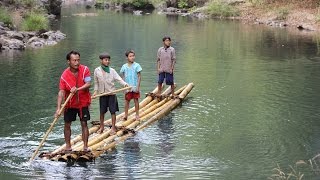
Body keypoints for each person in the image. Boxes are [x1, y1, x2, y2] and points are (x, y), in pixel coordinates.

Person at [55, 50, 91, 152]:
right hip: (70, 104)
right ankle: (68, 146)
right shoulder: (64, 76)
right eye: (74, 60)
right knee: (67, 124)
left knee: (84, 123)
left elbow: (88, 83)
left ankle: (85, 146)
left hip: (83, 102)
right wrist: (58, 108)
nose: (76, 63)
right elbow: (61, 92)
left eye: (78, 60)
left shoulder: (85, 70)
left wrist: (78, 89)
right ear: (68, 61)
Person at [92, 52, 128, 134]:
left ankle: (113, 128)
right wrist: (95, 92)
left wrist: (125, 84)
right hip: (102, 94)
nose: (107, 61)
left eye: (108, 60)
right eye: (105, 60)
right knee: (102, 112)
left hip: (112, 94)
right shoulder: (96, 71)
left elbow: (119, 79)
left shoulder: (112, 71)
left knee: (113, 111)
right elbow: (96, 83)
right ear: (101, 61)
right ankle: (101, 127)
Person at [120, 50, 142, 121]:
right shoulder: (124, 66)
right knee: (127, 101)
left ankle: (137, 115)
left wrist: (138, 87)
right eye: (130, 56)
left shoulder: (137, 65)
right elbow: (122, 77)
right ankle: (126, 115)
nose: (132, 57)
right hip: (127, 86)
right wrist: (123, 87)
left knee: (136, 100)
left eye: (133, 56)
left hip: (135, 86)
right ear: (127, 58)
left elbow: (139, 76)